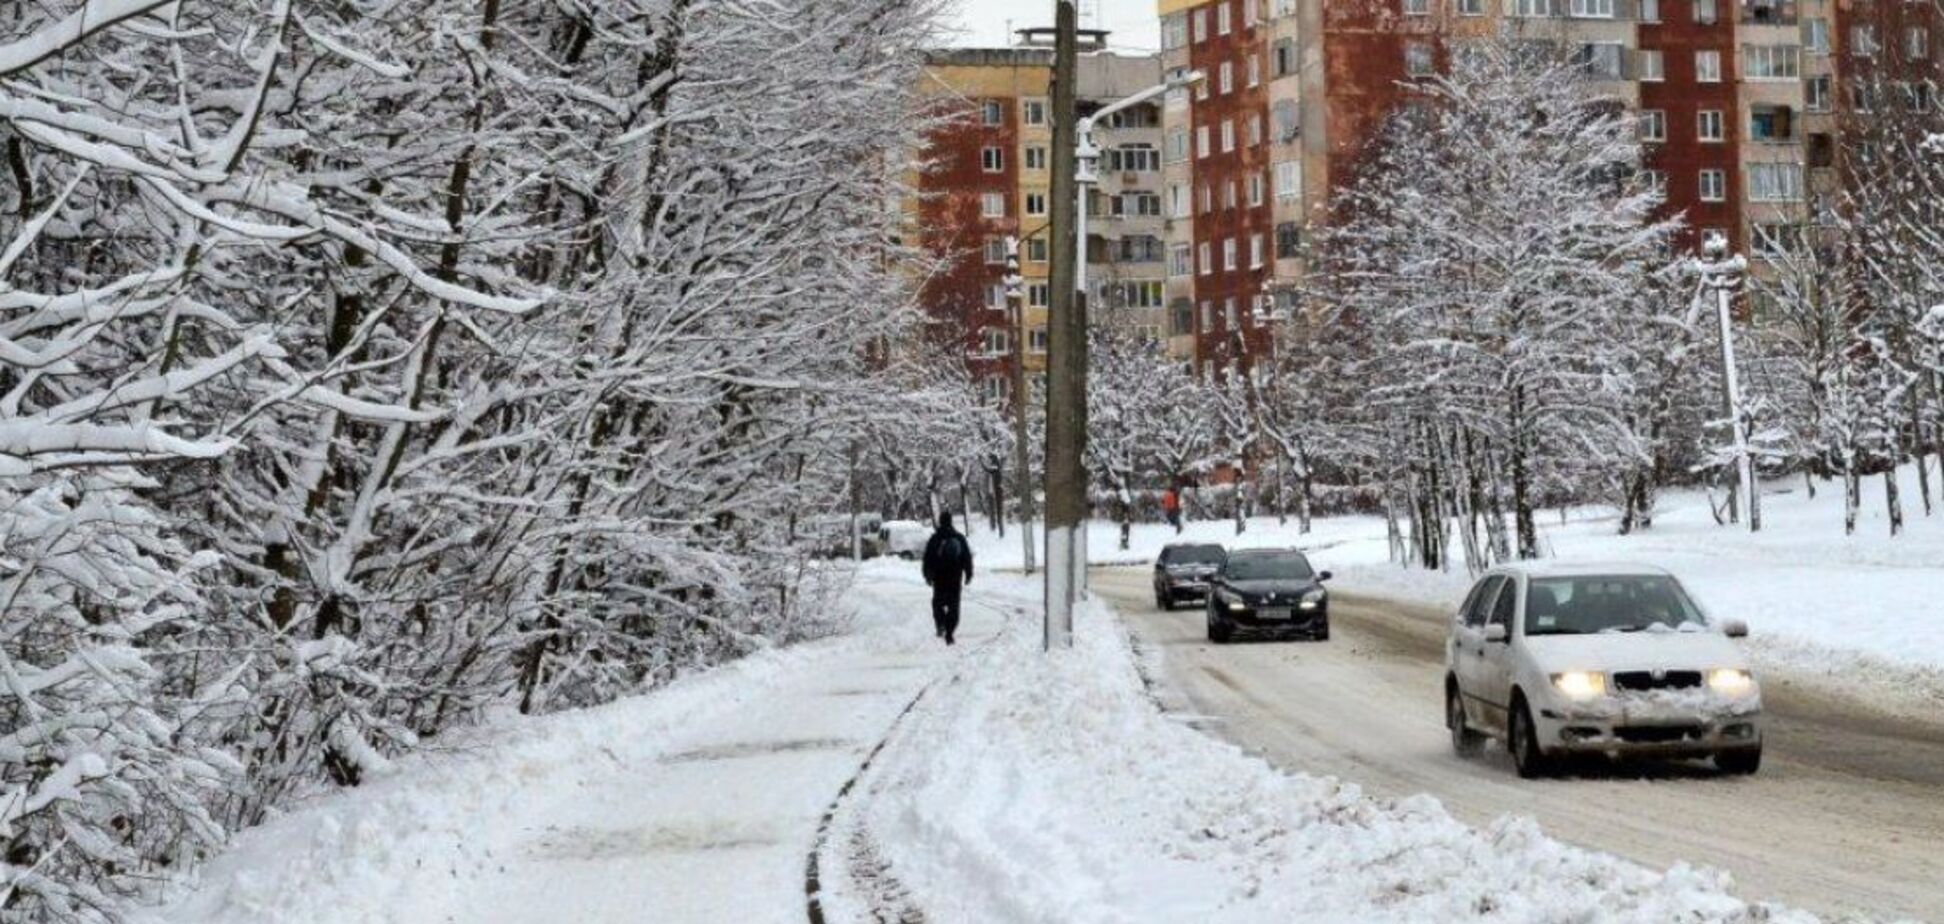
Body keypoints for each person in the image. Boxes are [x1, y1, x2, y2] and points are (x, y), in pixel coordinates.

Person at [921, 512, 974, 645]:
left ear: (940, 521)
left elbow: (927, 559)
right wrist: (968, 573)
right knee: (954, 605)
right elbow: (966, 557)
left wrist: (927, 575)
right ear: (951, 521)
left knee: (937, 603)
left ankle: (941, 624)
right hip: (955, 577)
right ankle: (950, 632)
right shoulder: (959, 538)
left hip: (939, 578)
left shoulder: (935, 538)